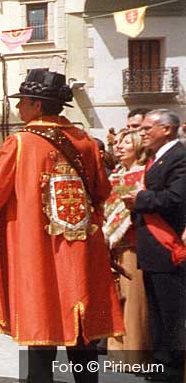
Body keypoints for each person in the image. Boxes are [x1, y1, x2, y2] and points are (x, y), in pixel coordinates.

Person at [0, 69, 122, 383]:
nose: (18, 108)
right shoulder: (87, 143)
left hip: (40, 250)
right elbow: (102, 189)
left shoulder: (20, 142)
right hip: (83, 249)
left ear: (37, 105)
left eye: (23, 102)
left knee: (41, 327)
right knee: (82, 331)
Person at [121, 109, 186, 380]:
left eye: (148, 128)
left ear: (167, 130)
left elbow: (175, 198)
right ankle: (161, 365)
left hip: (166, 246)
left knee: (172, 315)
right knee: (156, 314)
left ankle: (171, 369)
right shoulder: (158, 158)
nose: (143, 133)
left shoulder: (179, 158)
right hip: (152, 249)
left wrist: (141, 199)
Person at [104, 128, 151, 367]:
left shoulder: (142, 174)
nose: (119, 147)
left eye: (125, 143)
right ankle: (117, 352)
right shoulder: (116, 175)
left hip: (132, 242)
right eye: (118, 143)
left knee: (133, 300)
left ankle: (134, 355)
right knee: (116, 298)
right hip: (114, 243)